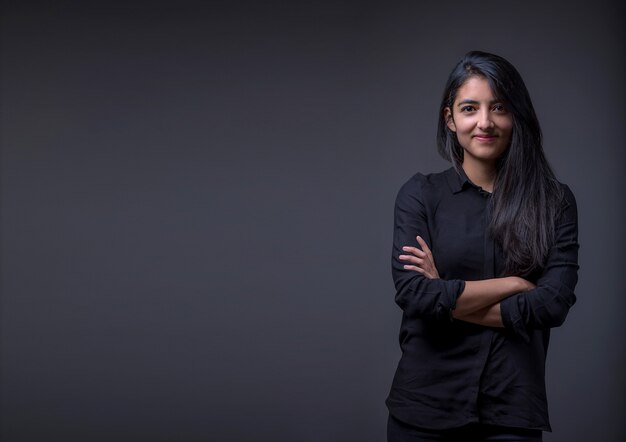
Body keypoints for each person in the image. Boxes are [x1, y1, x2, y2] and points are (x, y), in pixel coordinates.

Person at [386, 51, 579, 442]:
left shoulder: (555, 201)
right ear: (450, 118)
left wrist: (448, 298)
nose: (485, 122)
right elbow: (414, 294)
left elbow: (553, 303)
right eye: (470, 108)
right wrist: (515, 284)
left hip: (511, 412)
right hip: (424, 410)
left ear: (515, 116)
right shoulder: (420, 195)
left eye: (499, 107)